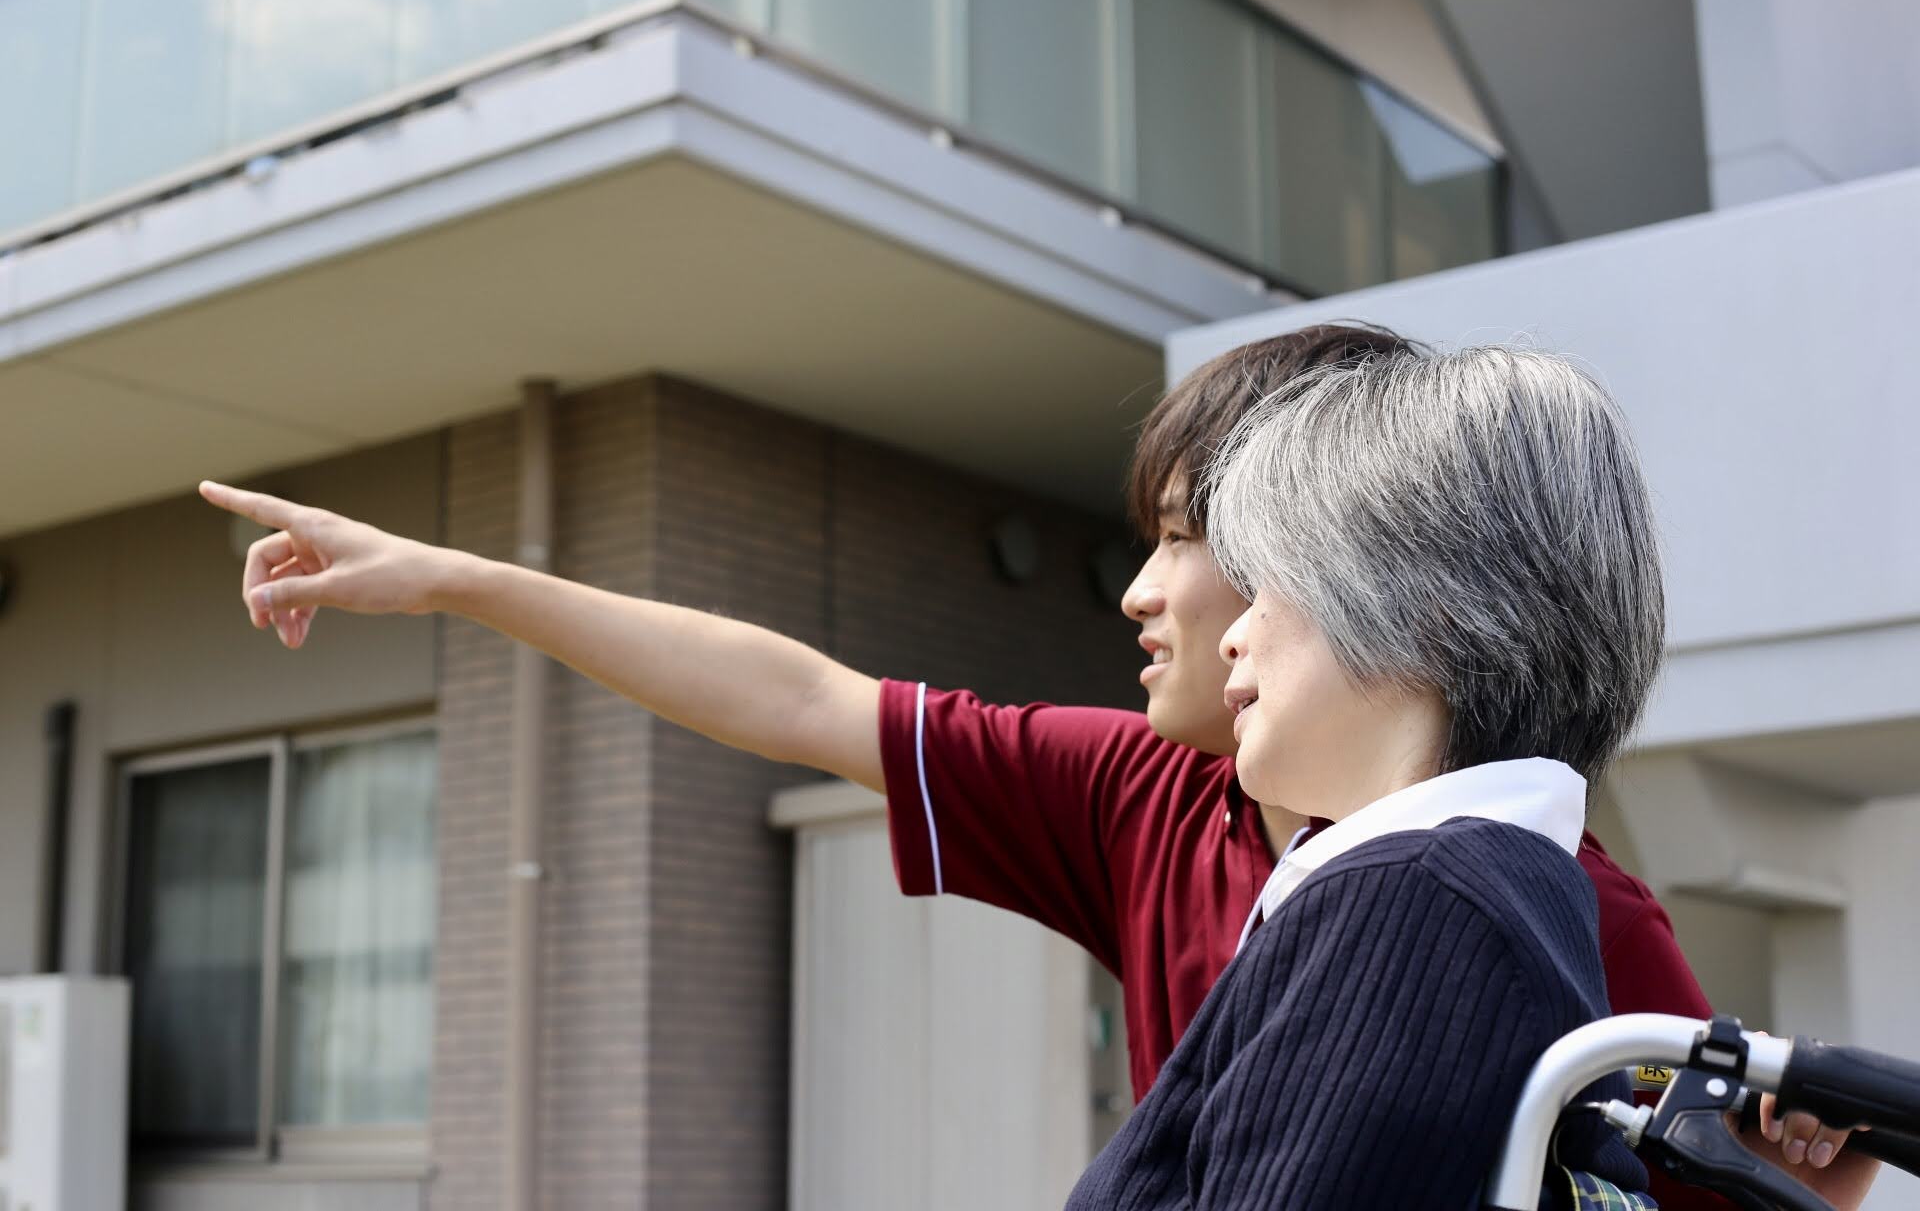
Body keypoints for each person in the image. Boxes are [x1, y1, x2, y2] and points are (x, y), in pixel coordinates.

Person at [197, 326, 1855, 1203]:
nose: (1146, 593)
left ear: (1387, 579)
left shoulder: (1512, 912)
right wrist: (458, 580)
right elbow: (792, 695)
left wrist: (1784, 1171)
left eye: (1204, 544)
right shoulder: (1164, 797)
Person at [1063, 343, 1876, 1210]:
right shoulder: (1494, 891)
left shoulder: (1411, 903)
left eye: (1270, 585)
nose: (1236, 634)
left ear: (1428, 606)